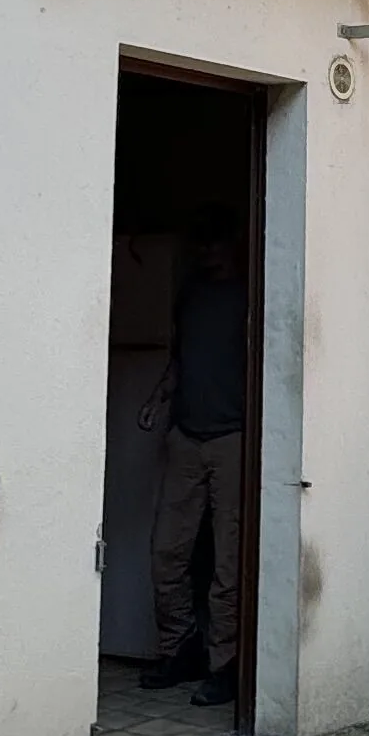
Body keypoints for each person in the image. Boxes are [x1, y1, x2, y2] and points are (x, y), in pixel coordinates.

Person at [140, 212, 247, 707]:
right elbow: (180, 360)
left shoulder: (249, 297)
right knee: (167, 551)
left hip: (233, 439)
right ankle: (179, 648)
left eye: (215, 244)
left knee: (230, 560)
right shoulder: (191, 295)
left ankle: (226, 665)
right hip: (185, 435)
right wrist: (157, 399)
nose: (207, 254)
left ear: (232, 245)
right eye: (201, 245)